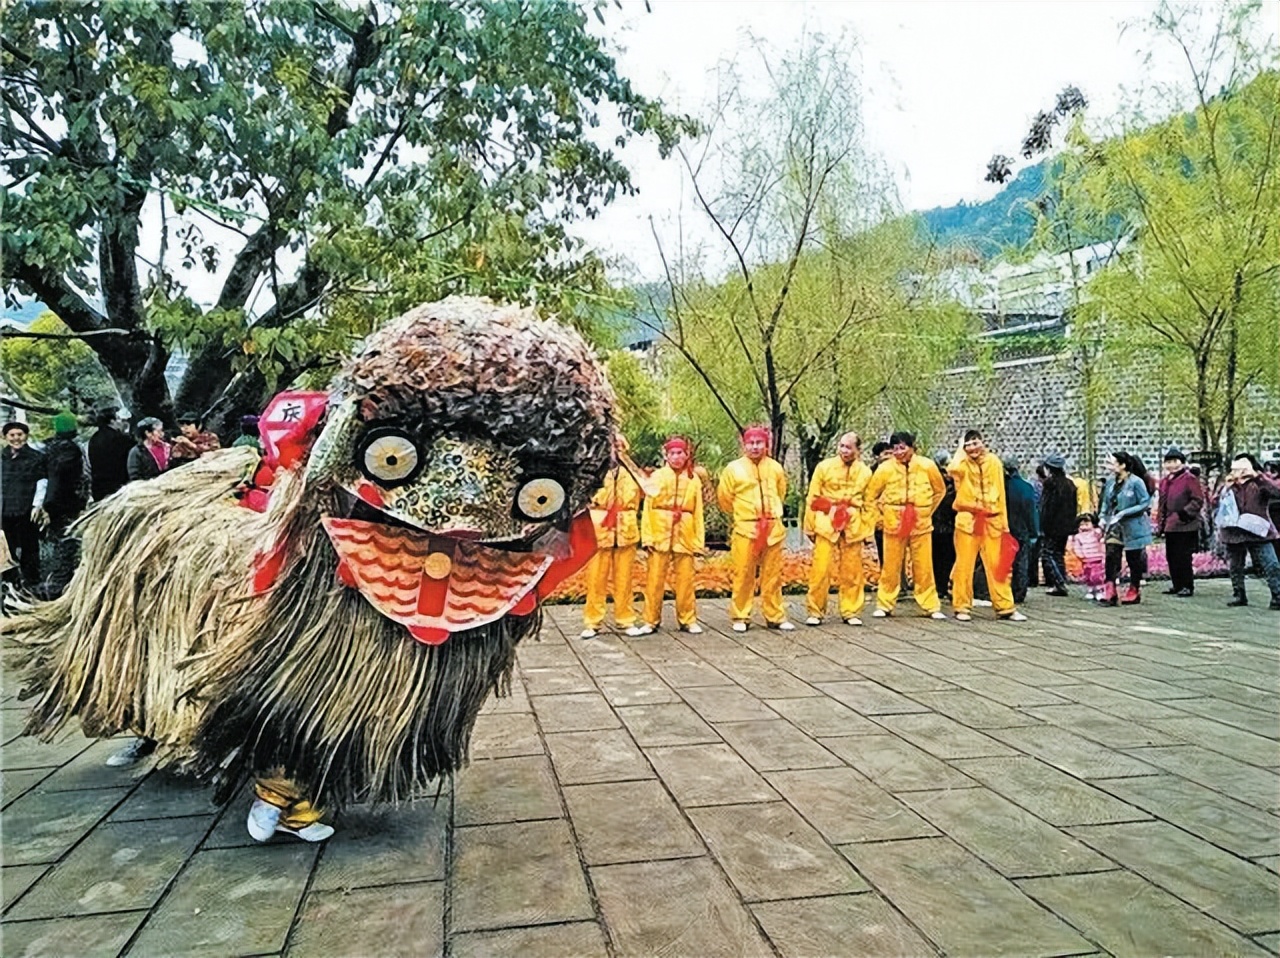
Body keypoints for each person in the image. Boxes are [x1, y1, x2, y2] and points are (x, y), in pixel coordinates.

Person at [717, 425, 794, 632]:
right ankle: (741, 616)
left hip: (772, 527)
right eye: (750, 443)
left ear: (766, 444)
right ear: (744, 445)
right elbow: (725, 498)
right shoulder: (733, 469)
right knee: (743, 573)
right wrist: (743, 514)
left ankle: (775, 615)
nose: (755, 447)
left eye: (759, 442)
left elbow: (781, 492)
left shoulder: (775, 467)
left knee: (773, 574)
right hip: (746, 527)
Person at [864, 430, 946, 619]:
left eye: (902, 447)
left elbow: (939, 491)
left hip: (920, 522)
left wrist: (927, 510)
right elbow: (870, 496)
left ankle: (930, 605)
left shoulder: (927, 465)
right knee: (891, 566)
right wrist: (879, 518)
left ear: (912, 447)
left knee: (923, 565)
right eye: (895, 448)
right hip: (894, 520)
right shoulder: (885, 469)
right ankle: (885, 604)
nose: (899, 452)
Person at [944, 430, 1023, 622]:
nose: (972, 448)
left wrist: (1004, 524)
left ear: (983, 442)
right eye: (968, 445)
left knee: (998, 565)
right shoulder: (962, 464)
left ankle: (1005, 607)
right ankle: (961, 606)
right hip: (968, 519)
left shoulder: (994, 462)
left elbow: (1001, 494)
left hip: (992, 519)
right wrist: (960, 449)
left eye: (975, 443)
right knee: (964, 565)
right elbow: (952, 469)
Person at [632, 437, 705, 635]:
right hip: (659, 532)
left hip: (685, 532)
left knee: (686, 580)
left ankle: (687, 619)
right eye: (672, 453)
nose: (676, 457)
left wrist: (698, 540)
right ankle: (650, 620)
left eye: (680, 453)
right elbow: (647, 507)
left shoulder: (693, 478)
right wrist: (647, 537)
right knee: (654, 580)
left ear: (686, 455)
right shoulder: (656, 476)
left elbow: (698, 510)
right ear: (666, 456)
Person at [804, 432, 873, 626]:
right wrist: (809, 525)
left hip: (853, 521)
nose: (844, 450)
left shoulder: (866, 472)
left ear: (858, 450)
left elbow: (870, 503)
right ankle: (815, 611)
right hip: (827, 519)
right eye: (841, 446)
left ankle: (851, 611)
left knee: (852, 570)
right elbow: (813, 497)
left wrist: (868, 531)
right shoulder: (824, 467)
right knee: (821, 568)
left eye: (848, 447)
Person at [581, 437, 643, 639]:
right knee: (596, 579)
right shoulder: (593, 471)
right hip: (600, 527)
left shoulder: (632, 472)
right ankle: (592, 622)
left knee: (624, 580)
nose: (614, 450)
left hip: (625, 527)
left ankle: (626, 619)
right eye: (611, 446)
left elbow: (645, 494)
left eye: (618, 446)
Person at [1218, 453, 1280, 610]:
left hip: (1257, 530)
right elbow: (1215, 503)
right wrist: (1226, 487)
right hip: (1234, 531)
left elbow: (1276, 492)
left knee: (1271, 563)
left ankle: (1277, 595)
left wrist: (1257, 476)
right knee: (1235, 566)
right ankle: (1239, 594)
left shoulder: (1259, 483)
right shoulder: (1230, 484)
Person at [39, 412, 89, 599]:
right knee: (67, 543)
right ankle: (58, 586)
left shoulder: (49, 448)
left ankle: (58, 583)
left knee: (61, 542)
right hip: (66, 504)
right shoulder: (70, 450)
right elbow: (65, 478)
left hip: (54, 502)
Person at [1098, 451, 1153, 606]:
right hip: (1114, 525)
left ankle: (1134, 589)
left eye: (1113, 463)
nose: (1110, 466)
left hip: (1133, 526)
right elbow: (1106, 502)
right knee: (1111, 555)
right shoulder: (1110, 482)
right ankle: (1110, 590)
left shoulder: (1136, 482)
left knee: (1133, 558)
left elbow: (1144, 502)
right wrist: (1103, 517)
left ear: (1123, 465)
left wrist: (1124, 512)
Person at [0, 421, 47, 589]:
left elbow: (42, 483)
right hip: (4, 512)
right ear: (5, 437)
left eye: (19, 435)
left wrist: (37, 505)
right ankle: (10, 585)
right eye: (12, 435)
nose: (16, 438)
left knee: (30, 550)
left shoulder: (36, 458)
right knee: (6, 550)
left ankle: (32, 585)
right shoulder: (2, 457)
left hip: (26, 511)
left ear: (25, 436)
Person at [1156, 446, 1205, 597]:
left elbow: (1197, 499)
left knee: (1183, 556)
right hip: (1170, 525)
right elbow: (1162, 503)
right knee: (1172, 556)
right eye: (1168, 462)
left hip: (1185, 524)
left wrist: (1184, 514)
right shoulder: (1165, 481)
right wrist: (1161, 523)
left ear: (1182, 463)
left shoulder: (1189, 478)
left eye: (1175, 461)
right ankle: (1177, 584)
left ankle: (1187, 585)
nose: (1172, 465)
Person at [1038, 454, 1076, 596]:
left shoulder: (1050, 484)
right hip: (1066, 525)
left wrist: (1043, 524)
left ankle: (1058, 582)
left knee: (1047, 553)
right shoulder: (1069, 484)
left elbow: (1046, 507)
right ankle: (1061, 581)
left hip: (1052, 525)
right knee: (1059, 553)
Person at [1002, 456, 1039, 606]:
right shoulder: (1026, 487)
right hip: (1021, 528)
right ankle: (1019, 592)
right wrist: (1033, 531)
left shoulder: (1002, 487)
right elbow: (1031, 511)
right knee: (1021, 561)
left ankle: (1001, 591)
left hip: (1003, 527)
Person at [87, 402, 134, 501]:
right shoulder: (121, 439)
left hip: (99, 488)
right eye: (119, 419)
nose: (122, 422)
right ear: (112, 421)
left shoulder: (93, 439)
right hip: (119, 487)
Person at [931, 450, 957, 601]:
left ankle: (941, 586)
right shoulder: (939, 482)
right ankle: (939, 586)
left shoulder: (952, 482)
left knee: (945, 558)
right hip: (940, 525)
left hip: (945, 525)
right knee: (939, 558)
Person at [1068, 513, 1107, 599]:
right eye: (1082, 524)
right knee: (1088, 575)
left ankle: (1099, 589)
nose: (1084, 526)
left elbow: (1102, 534)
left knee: (1097, 575)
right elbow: (1077, 547)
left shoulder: (1096, 533)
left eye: (1087, 524)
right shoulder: (1078, 537)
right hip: (1086, 559)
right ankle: (1090, 589)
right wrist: (1080, 555)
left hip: (1097, 557)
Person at [870, 440, 892, 569]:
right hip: (879, 519)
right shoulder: (870, 473)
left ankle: (902, 581)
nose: (889, 457)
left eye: (891, 453)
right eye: (885, 453)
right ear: (877, 457)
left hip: (896, 517)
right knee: (883, 550)